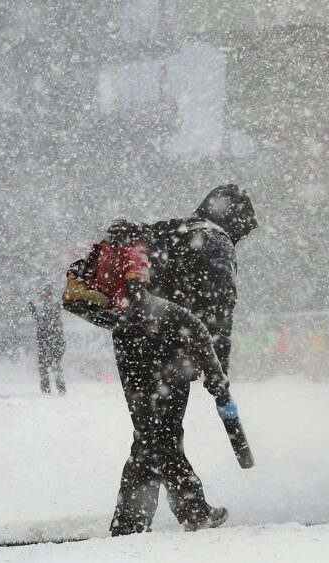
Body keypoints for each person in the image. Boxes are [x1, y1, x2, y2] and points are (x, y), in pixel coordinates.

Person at [106, 184, 257, 536]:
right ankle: (167, 515)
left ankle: (160, 515)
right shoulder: (216, 243)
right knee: (158, 433)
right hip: (169, 350)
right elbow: (220, 313)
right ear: (233, 219)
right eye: (242, 230)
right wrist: (218, 371)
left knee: (154, 433)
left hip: (130, 342)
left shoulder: (170, 229)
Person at [28, 286, 66, 394]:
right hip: (47, 341)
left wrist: (34, 312)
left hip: (52, 341)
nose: (41, 295)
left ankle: (54, 389)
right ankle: (51, 389)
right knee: (47, 366)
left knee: (52, 366)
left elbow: (44, 323)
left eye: (43, 293)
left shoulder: (52, 306)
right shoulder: (49, 306)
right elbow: (42, 322)